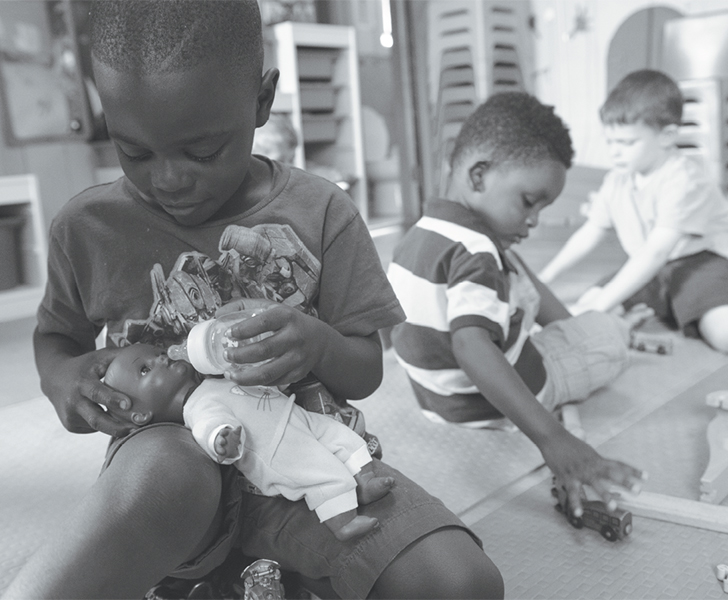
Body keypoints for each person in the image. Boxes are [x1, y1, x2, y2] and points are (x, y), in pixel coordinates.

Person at [2, 2, 503, 599]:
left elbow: (366, 368)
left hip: (314, 471)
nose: (168, 179)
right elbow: (55, 337)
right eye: (133, 151)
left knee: (461, 582)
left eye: (203, 151)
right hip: (174, 475)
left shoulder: (321, 212)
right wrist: (63, 381)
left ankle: (274, 569)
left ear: (263, 101)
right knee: (165, 473)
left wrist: (314, 343)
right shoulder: (86, 227)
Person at [387, 91, 647, 521]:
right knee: (611, 334)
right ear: (478, 175)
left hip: (438, 401)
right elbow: (472, 347)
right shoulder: (477, 254)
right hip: (504, 396)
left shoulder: (419, 236)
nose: (534, 220)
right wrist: (552, 438)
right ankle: (588, 335)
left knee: (509, 257)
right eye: (529, 202)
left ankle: (572, 332)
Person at [539, 69, 728, 353]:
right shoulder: (617, 178)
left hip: (701, 263)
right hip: (652, 268)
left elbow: (656, 253)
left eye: (627, 143)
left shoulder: (684, 180)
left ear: (667, 136)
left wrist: (601, 304)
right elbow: (590, 232)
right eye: (611, 142)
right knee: (587, 307)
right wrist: (545, 278)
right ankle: (664, 306)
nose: (615, 152)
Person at [103, 342, 396, 542]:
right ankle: (342, 521)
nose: (161, 359)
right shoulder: (196, 408)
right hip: (277, 449)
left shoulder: (211, 382)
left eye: (157, 353)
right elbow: (210, 427)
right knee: (323, 473)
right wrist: (222, 440)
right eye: (145, 369)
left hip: (293, 416)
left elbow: (255, 384)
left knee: (345, 438)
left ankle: (364, 481)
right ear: (141, 414)